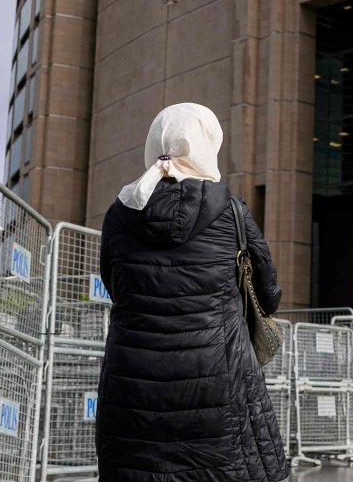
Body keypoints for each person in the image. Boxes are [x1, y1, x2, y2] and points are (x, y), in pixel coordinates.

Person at [94, 103, 288, 481]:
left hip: (133, 385)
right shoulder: (231, 212)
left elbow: (116, 286)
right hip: (218, 380)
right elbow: (268, 296)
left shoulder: (120, 213)